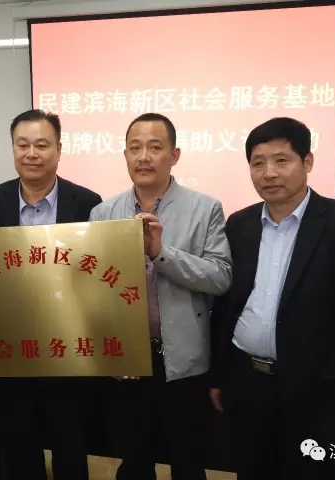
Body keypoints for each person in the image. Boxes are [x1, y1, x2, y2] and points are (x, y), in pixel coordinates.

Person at [209, 117, 335, 480]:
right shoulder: (240, 224)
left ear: (307, 162)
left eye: (282, 160)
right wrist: (219, 376)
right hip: (248, 385)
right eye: (258, 163)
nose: (269, 173)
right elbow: (227, 307)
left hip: (318, 394)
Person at [89, 112, 232, 480]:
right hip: (127, 362)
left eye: (155, 147)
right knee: (133, 461)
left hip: (183, 362)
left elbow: (220, 277)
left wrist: (160, 253)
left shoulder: (205, 208)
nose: (144, 157)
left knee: (187, 462)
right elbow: (95, 292)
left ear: (175, 155)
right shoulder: (103, 213)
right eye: (135, 148)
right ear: (124, 155)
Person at [0, 109, 102, 480]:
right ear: (13, 148)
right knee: (17, 443)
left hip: (69, 345)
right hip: (12, 346)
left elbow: (95, 272)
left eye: (42, 145)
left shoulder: (88, 202)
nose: (32, 153)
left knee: (70, 443)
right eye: (23, 145)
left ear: (59, 150)